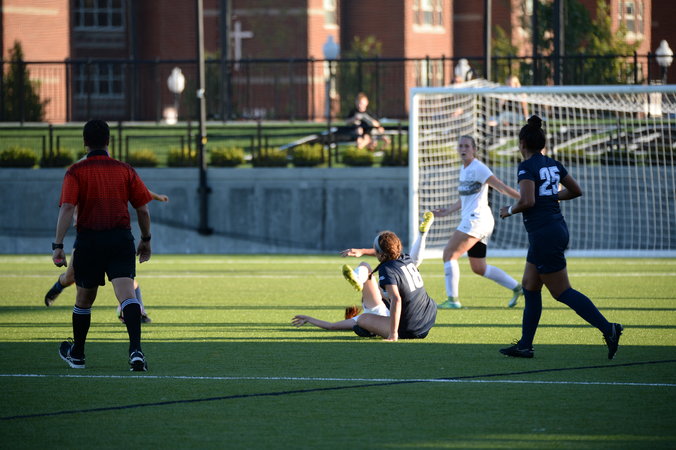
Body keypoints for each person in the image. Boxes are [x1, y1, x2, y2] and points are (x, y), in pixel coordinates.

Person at [498, 115, 623, 359]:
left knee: (562, 292)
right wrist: (552, 197)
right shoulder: (553, 164)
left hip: (544, 234)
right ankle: (525, 345)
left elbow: (528, 201)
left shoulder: (526, 166)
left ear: (522, 143)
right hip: (554, 229)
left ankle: (609, 329)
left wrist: (509, 210)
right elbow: (576, 190)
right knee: (530, 286)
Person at [52, 119, 153, 371]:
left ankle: (78, 355)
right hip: (120, 239)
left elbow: (67, 208)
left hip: (89, 241)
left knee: (84, 300)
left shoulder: (75, 171)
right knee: (127, 295)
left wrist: (58, 245)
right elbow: (142, 209)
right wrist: (146, 239)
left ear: (85, 142)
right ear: (108, 141)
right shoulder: (125, 170)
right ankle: (136, 351)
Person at [293, 217, 437, 341]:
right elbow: (384, 253)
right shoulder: (404, 257)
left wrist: (393, 334)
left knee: (364, 316)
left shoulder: (385, 273)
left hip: (411, 329)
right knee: (372, 274)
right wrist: (362, 251)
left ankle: (359, 279)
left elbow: (331, 326)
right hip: (428, 318)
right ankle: (358, 278)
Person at [44, 190, 169, 325]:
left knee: (125, 279)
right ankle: (59, 286)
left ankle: (139, 311)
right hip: (88, 239)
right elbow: (67, 206)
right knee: (71, 277)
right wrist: (58, 245)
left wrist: (157, 197)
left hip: (114, 237)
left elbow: (139, 190)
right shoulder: (81, 181)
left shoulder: (113, 181)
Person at [432, 135, 523, 309]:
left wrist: (524, 198)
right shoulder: (464, 169)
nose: (463, 149)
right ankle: (517, 288)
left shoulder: (479, 168)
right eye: (460, 146)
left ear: (474, 150)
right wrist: (447, 211)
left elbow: (501, 187)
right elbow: (464, 198)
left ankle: (453, 301)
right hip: (480, 221)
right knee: (479, 268)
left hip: (477, 220)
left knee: (449, 254)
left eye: (467, 146)